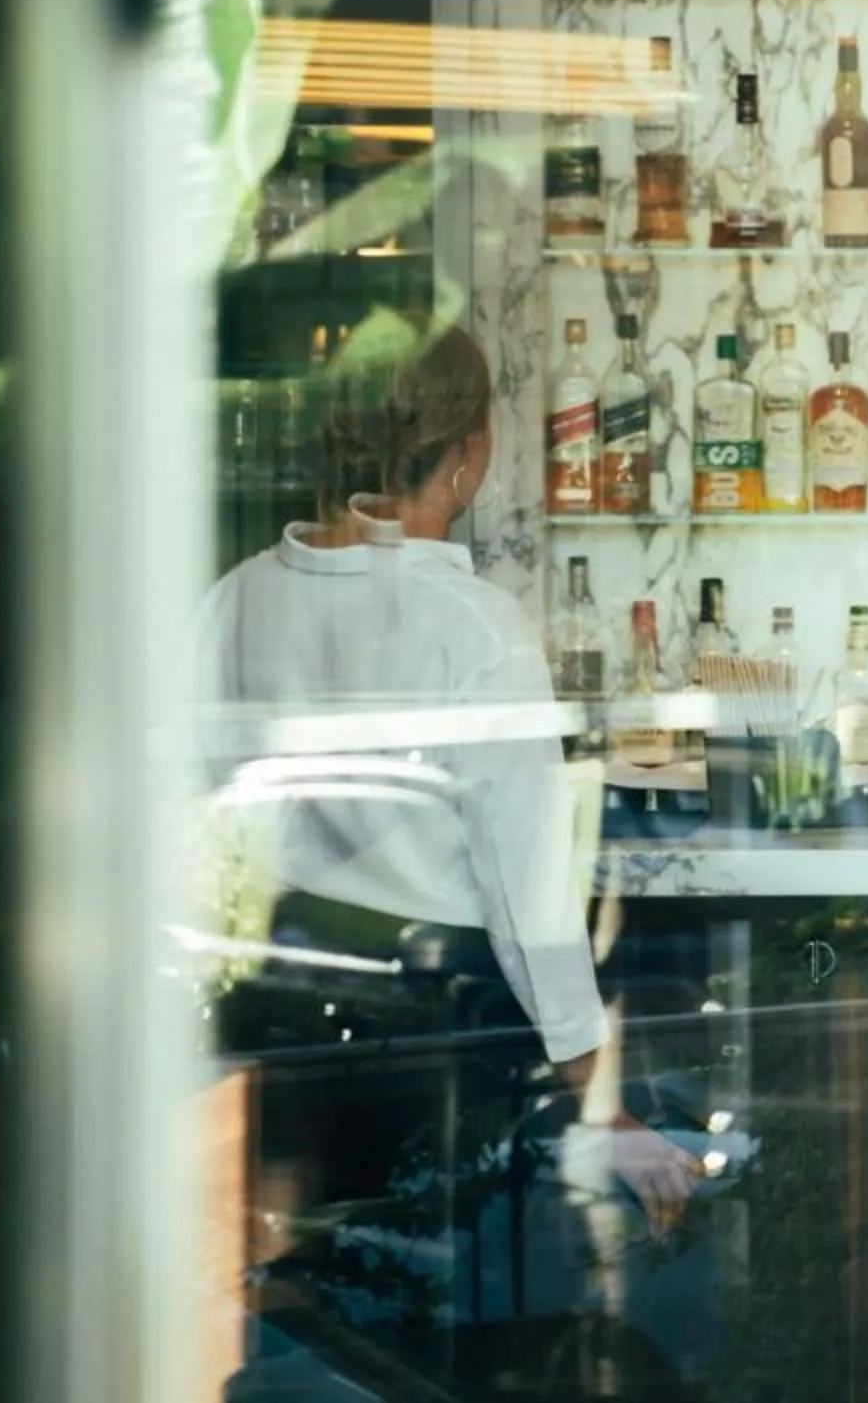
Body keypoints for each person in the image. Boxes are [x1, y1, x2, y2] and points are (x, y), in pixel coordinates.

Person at [199, 311, 698, 1256]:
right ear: (468, 456)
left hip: (271, 1028)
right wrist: (604, 1108)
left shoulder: (233, 599)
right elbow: (530, 907)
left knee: (297, 1309)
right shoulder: (476, 629)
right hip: (429, 1053)